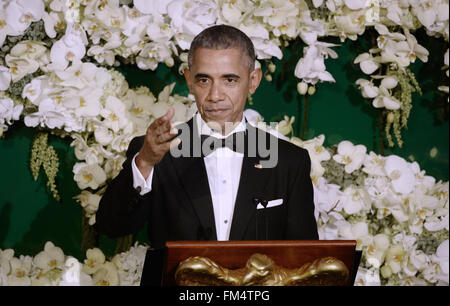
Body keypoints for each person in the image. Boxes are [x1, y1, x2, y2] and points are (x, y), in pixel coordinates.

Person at [95, 25, 318, 250]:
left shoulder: (290, 161)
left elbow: (304, 260)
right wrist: (144, 162)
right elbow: (111, 227)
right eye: (204, 80)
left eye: (229, 80)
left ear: (253, 81)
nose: (215, 95)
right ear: (189, 80)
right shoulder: (153, 151)